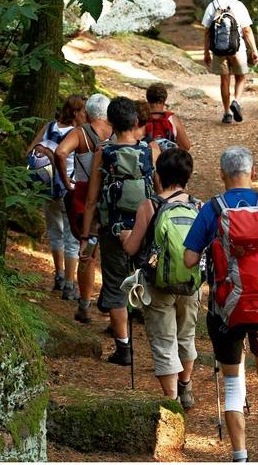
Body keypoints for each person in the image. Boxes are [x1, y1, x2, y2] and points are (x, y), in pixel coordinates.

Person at [183, 146, 258, 462]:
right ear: (253, 172)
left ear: (222, 174)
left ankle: (240, 455)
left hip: (224, 308)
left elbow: (189, 258)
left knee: (233, 380)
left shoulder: (213, 209)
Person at [79, 96, 161, 365]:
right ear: (136, 122)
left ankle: (124, 349)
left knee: (114, 286)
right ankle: (160, 347)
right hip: (145, 228)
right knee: (146, 280)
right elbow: (160, 192)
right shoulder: (150, 151)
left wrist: (86, 235)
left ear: (111, 122)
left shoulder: (104, 152)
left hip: (112, 229)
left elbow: (91, 199)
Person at [120, 148, 200, 407]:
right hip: (190, 282)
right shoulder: (198, 206)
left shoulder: (150, 205)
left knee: (165, 341)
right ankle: (186, 387)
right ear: (188, 175)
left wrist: (124, 237)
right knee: (186, 335)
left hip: (157, 284)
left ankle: (172, 401)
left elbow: (132, 248)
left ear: (159, 174)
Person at [54, 93, 114, 324]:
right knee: (113, 254)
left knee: (87, 253)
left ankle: (85, 304)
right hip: (112, 199)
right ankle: (114, 305)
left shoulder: (80, 133)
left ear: (87, 113)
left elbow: (60, 152)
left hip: (84, 199)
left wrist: (65, 180)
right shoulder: (117, 133)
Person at [25, 95, 86, 300]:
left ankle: (58, 276)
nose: (86, 115)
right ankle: (69, 285)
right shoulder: (77, 133)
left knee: (54, 232)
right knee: (72, 237)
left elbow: (29, 151)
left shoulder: (49, 126)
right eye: (83, 111)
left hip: (47, 188)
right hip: (70, 188)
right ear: (76, 113)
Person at [202, 0, 258, 124]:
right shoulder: (238, 5)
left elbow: (207, 32)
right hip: (237, 48)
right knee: (241, 76)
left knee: (224, 80)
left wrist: (206, 52)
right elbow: (246, 30)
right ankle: (237, 101)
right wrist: (254, 50)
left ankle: (227, 112)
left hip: (218, 50)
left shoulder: (212, 5)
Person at [143, 83, 192, 151]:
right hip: (168, 160)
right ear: (164, 100)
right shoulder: (172, 119)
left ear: (147, 99)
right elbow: (186, 146)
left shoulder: (141, 118)